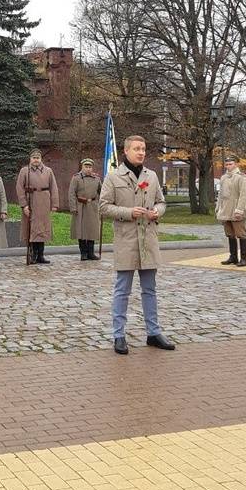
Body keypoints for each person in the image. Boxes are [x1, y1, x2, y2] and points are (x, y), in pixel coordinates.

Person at [99, 135, 174, 355]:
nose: (141, 152)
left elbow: (161, 201)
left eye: (143, 148)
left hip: (148, 239)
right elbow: (103, 207)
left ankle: (153, 332)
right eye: (137, 149)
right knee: (122, 290)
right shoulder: (114, 176)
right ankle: (119, 335)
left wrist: (157, 211)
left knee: (150, 289)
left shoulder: (151, 176)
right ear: (126, 151)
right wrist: (128, 212)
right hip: (126, 239)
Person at [16, 150, 59, 264]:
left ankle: (40, 255)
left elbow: (54, 187)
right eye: (34, 158)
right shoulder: (25, 171)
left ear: (41, 159)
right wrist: (24, 205)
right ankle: (33, 254)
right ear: (30, 159)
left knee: (42, 228)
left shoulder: (48, 171)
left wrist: (54, 204)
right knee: (32, 228)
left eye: (38, 158)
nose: (36, 160)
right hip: (31, 201)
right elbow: (19, 188)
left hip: (44, 202)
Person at [216, 154, 246, 267]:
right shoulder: (223, 178)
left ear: (235, 164)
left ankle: (243, 259)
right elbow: (220, 195)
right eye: (226, 164)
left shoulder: (241, 177)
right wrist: (218, 208)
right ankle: (233, 257)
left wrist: (239, 210)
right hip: (225, 210)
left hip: (236, 210)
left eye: (230, 164)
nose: (228, 166)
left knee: (241, 234)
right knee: (230, 234)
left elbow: (243, 195)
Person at [68, 158, 101, 260]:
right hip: (80, 206)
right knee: (81, 230)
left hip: (92, 207)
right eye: (86, 167)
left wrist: (103, 205)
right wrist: (73, 207)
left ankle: (91, 253)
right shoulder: (76, 178)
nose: (88, 169)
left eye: (90, 167)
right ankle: (83, 253)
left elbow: (102, 192)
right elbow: (71, 193)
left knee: (92, 230)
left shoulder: (97, 179)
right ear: (82, 167)